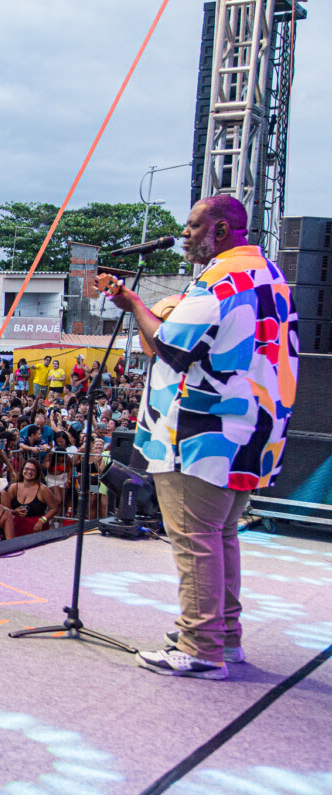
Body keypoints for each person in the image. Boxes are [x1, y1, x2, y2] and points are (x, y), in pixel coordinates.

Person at [102, 195, 298, 680]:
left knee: (194, 540)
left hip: (200, 432)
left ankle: (200, 648)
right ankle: (223, 637)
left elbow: (171, 346)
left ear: (222, 231)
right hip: (251, 432)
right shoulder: (270, 276)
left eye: (193, 226)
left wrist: (132, 304)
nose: (185, 234)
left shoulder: (220, 279)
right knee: (220, 535)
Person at [2, 460, 57, 537]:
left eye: (33, 470)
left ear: (37, 473)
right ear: (22, 470)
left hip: (37, 529)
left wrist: (42, 520)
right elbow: (5, 509)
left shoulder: (42, 489)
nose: (29, 472)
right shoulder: (14, 487)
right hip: (17, 527)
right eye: (27, 469)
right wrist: (14, 512)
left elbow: (54, 508)